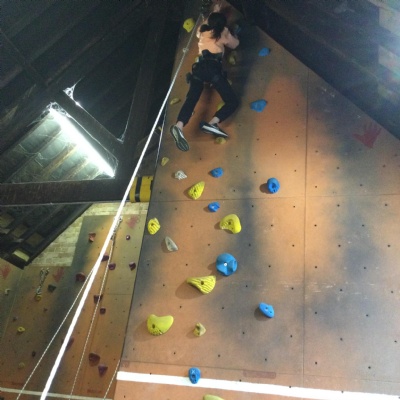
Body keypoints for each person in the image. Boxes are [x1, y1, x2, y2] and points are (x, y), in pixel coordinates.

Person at [170, 11, 240, 151]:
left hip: (198, 69)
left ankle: (179, 125)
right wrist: (234, 35)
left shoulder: (202, 32)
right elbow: (235, 45)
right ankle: (213, 122)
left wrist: (214, 12)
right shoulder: (223, 32)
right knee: (232, 101)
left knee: (192, 99)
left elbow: (207, 23)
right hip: (213, 69)